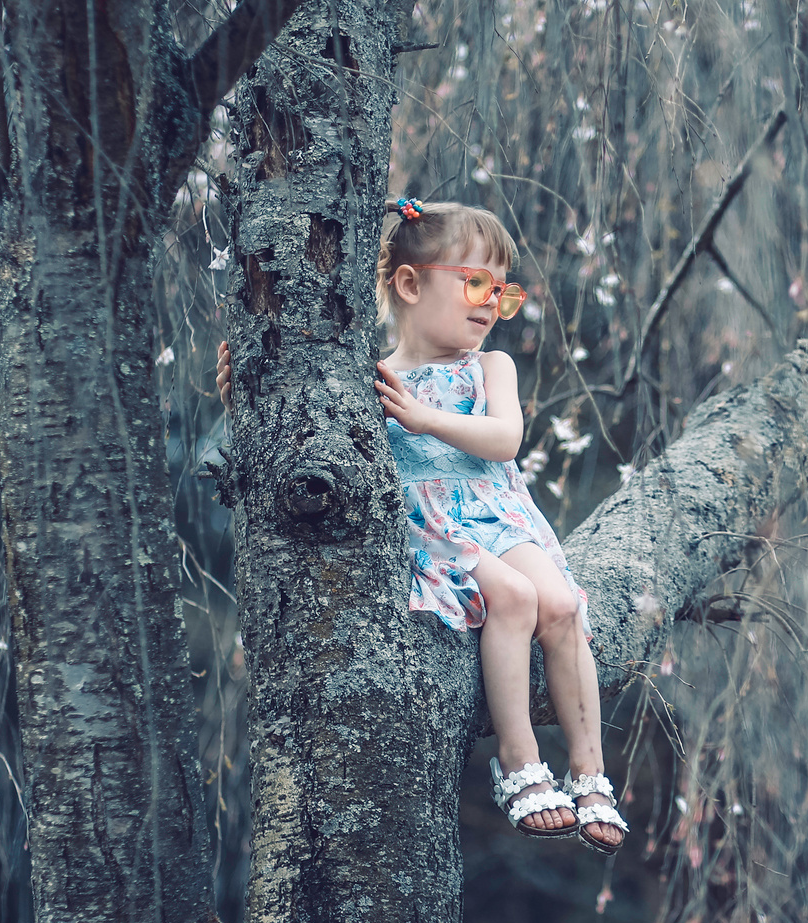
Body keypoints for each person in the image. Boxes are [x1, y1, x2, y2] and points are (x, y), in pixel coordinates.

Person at [217, 198, 628, 853]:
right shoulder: (373, 379)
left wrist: (426, 419)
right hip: (436, 527)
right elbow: (303, 438)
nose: (491, 302)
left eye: (503, 290)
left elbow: (505, 439)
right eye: (475, 283)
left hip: (499, 511)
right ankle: (522, 766)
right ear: (410, 284)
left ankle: (590, 771)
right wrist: (244, 391)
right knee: (516, 598)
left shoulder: (491, 367)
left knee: (562, 605)